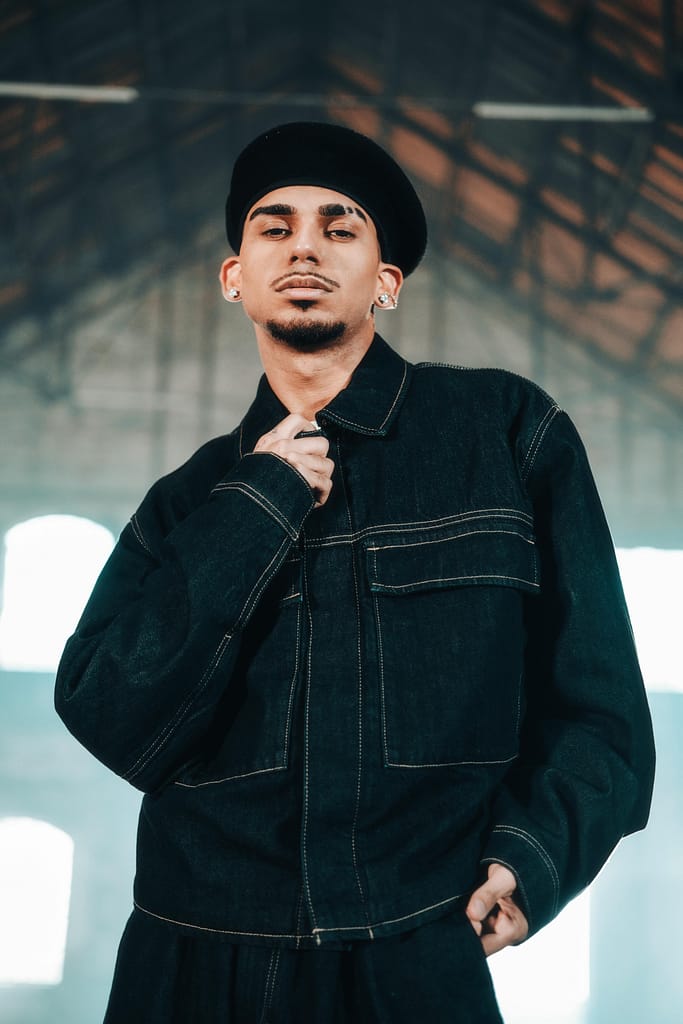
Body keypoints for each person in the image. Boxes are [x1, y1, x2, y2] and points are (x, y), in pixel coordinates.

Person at [55, 121, 655, 1023]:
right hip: (194, 961)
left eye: (340, 228)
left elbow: (599, 704)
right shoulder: (188, 503)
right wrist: (257, 502)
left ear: (385, 283)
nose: (304, 244)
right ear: (235, 278)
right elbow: (112, 716)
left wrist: (534, 856)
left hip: (414, 947)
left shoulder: (503, 435)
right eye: (273, 226)